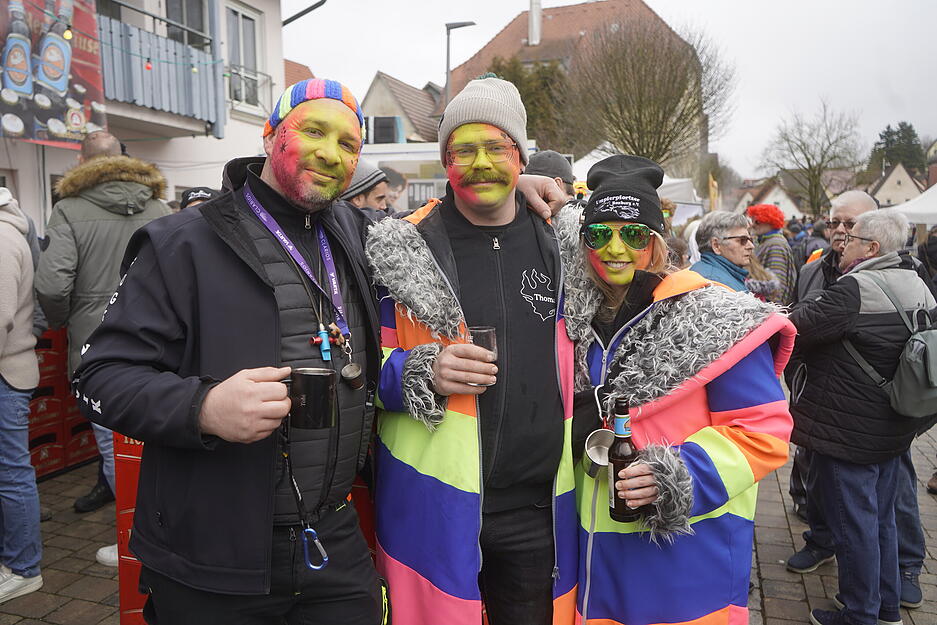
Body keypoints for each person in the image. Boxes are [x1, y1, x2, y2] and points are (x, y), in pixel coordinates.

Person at [73, 79, 388, 623]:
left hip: (333, 540)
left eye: (348, 144)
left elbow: (450, 232)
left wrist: (525, 184)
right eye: (313, 131)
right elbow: (98, 376)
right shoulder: (180, 243)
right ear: (270, 135)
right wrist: (204, 408)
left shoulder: (360, 233)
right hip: (211, 553)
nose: (330, 153)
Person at [365, 76, 577, 625]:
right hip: (437, 504)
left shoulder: (562, 244)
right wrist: (419, 372)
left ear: (520, 156)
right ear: (444, 161)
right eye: (463, 150)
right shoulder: (401, 250)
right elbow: (358, 364)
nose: (480, 163)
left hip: (540, 507)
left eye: (497, 148)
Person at [554, 154, 795, 624]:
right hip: (592, 551)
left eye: (634, 234)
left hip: (679, 560)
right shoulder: (577, 323)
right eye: (599, 233)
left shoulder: (716, 317)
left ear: (658, 242)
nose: (615, 248)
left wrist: (676, 475)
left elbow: (763, 430)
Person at [789, 209, 936, 625]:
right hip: (895, 424)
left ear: (872, 248)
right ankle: (887, 608)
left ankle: (859, 613)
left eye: (851, 236)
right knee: (882, 520)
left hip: (848, 428)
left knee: (854, 526)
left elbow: (797, 327)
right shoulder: (918, 282)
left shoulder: (856, 287)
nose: (842, 241)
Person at [34, 130, 170, 567]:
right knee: (160, 438)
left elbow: (52, 284)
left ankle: (133, 538)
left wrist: (64, 321)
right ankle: (165, 530)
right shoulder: (159, 207)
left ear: (82, 161)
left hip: (98, 344)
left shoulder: (68, 210)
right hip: (163, 340)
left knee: (114, 446)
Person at [0, 188, 43, 603]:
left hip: (5, 372)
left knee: (11, 473)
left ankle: (24, 567)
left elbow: (1, 319)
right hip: (10, 368)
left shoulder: (1, 236)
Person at [690, 211, 755, 291]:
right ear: (716, 245)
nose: (751, 246)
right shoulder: (714, 284)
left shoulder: (717, 276)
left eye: (750, 239)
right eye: (743, 240)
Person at [747, 203, 796, 304]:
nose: (753, 225)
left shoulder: (776, 245)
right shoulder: (767, 242)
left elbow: (778, 285)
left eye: (758, 221)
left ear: (770, 222)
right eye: (752, 221)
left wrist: (773, 310)